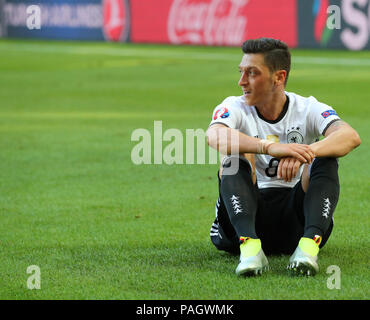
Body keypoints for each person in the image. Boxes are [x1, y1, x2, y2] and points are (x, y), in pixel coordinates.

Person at [206, 38, 361, 277]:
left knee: (326, 156)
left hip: (296, 223)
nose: (241, 82)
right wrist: (269, 147)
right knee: (233, 156)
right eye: (241, 72)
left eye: (252, 73)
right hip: (243, 221)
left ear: (278, 78)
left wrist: (305, 153)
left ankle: (308, 248)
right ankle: (250, 249)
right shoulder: (234, 106)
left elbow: (350, 136)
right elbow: (215, 135)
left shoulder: (307, 107)